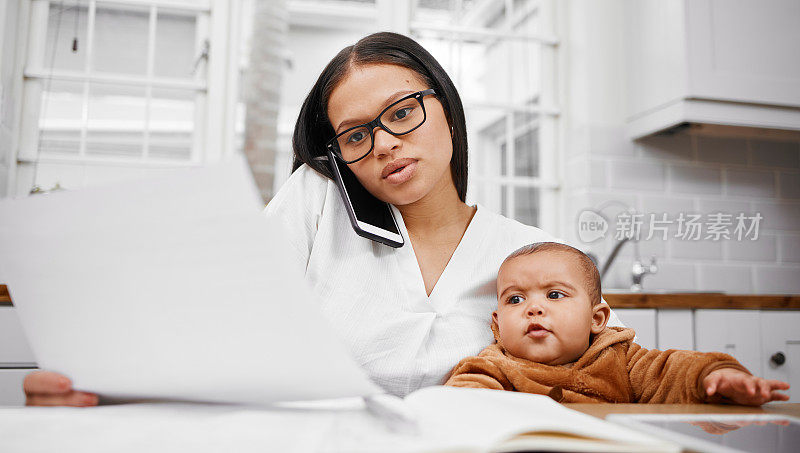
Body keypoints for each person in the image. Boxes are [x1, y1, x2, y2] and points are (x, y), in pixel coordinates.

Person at [23, 32, 623, 405]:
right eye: (356, 135)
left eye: (401, 113)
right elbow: (223, 319)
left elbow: (620, 365)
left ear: (447, 112)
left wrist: (708, 381)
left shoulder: (533, 254)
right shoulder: (318, 202)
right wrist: (106, 383)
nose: (385, 144)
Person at [445, 242, 791, 405]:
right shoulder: (494, 367)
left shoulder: (622, 359)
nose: (533, 308)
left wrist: (716, 376)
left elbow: (673, 370)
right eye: (515, 300)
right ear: (497, 323)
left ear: (597, 319)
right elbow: (463, 398)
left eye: (554, 295)